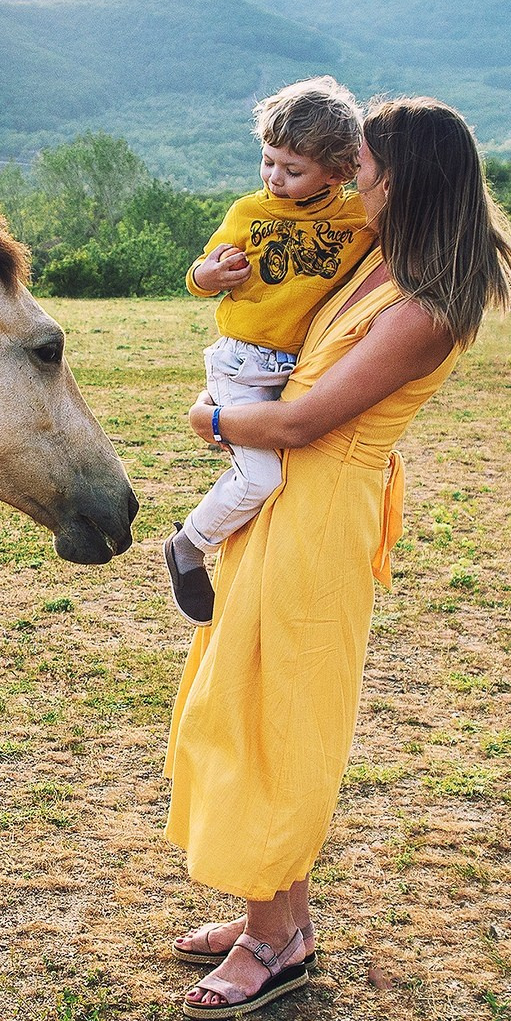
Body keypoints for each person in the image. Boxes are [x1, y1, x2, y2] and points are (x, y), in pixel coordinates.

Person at [162, 96, 511, 1020]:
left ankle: (270, 943)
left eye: (362, 163)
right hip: (288, 502)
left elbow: (303, 420)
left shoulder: (426, 308)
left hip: (322, 511)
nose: (349, 174)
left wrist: (211, 420)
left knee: (274, 716)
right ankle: (280, 916)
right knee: (243, 698)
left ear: (403, 181)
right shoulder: (379, 260)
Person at [163, 76, 375, 626]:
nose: (274, 178)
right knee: (263, 479)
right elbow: (200, 275)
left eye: (293, 169)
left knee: (285, 474)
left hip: (298, 366)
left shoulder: (357, 218)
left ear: (340, 170)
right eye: (267, 161)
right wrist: (209, 274)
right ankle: (189, 545)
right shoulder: (248, 211)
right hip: (243, 359)